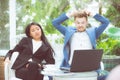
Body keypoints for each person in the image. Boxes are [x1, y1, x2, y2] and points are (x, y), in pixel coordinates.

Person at [52, 10, 109, 80]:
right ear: (74, 23)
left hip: (90, 68)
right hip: (72, 67)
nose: (80, 25)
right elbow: (55, 23)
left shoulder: (93, 32)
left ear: (87, 23)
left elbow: (106, 22)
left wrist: (92, 14)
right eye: (78, 23)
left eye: (83, 22)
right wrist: (70, 14)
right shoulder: (68, 32)